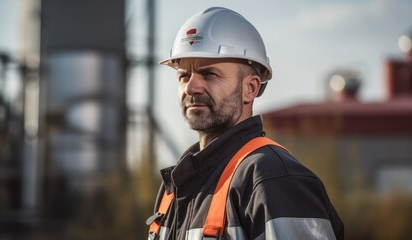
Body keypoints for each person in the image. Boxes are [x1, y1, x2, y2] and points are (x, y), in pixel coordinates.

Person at [147, 7, 344, 240]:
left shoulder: (273, 179)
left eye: (209, 74)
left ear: (249, 89)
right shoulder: (177, 185)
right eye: (183, 76)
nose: (191, 87)